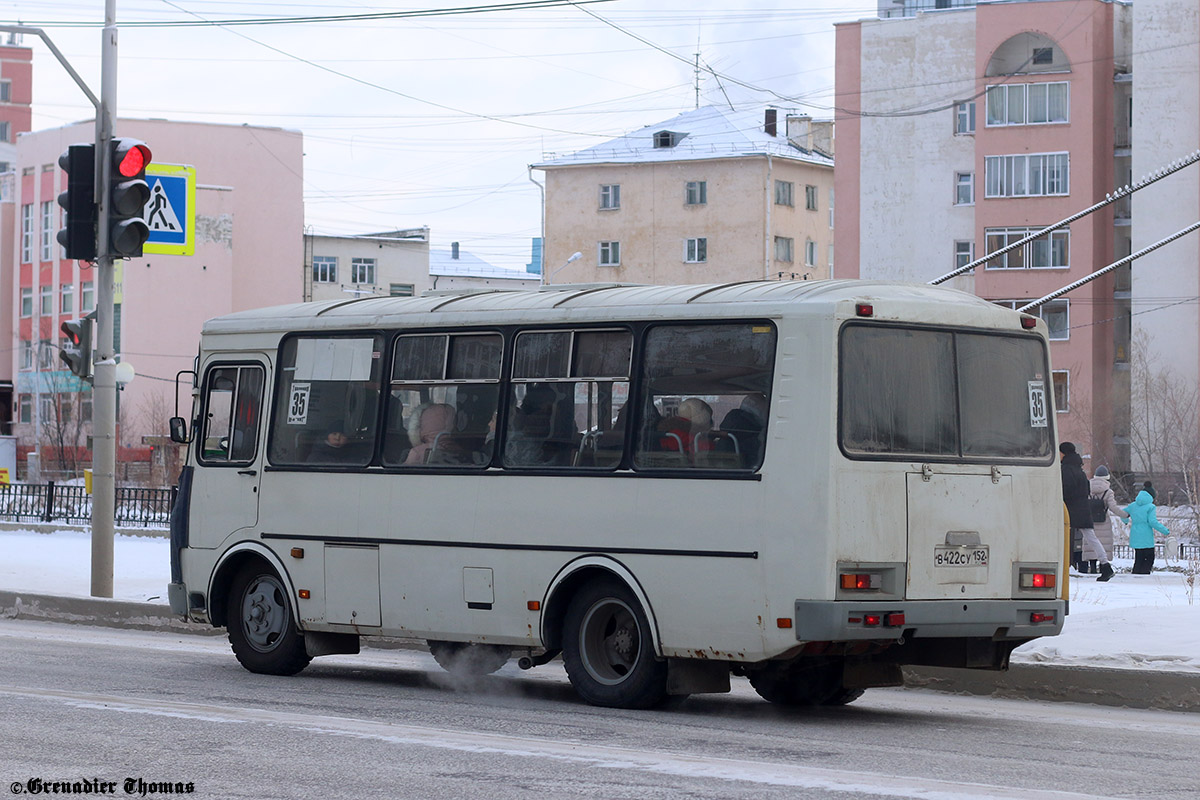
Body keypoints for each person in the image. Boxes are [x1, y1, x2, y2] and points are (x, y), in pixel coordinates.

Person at [1060, 442, 1114, 581]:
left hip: (1068, 509)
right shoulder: (1080, 470)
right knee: (1091, 538)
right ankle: (1105, 566)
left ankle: (1058, 565)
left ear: (1063, 453)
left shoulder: (1065, 470)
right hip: (1083, 508)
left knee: (1057, 536)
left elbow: (1064, 491)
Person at [1088, 466, 1129, 575]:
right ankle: (1103, 567)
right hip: (1103, 521)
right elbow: (1113, 507)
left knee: (1091, 543)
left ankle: (1092, 567)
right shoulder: (1108, 492)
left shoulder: (1087, 488)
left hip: (1089, 521)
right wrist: (1125, 514)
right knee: (1103, 544)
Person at [1124, 489, 1170, 574]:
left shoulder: (1133, 505)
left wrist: (1126, 521)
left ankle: (1136, 574)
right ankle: (1144, 574)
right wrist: (1165, 531)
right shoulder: (1150, 507)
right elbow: (1152, 521)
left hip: (1135, 533)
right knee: (1149, 557)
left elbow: (1122, 513)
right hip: (1146, 534)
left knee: (1139, 557)